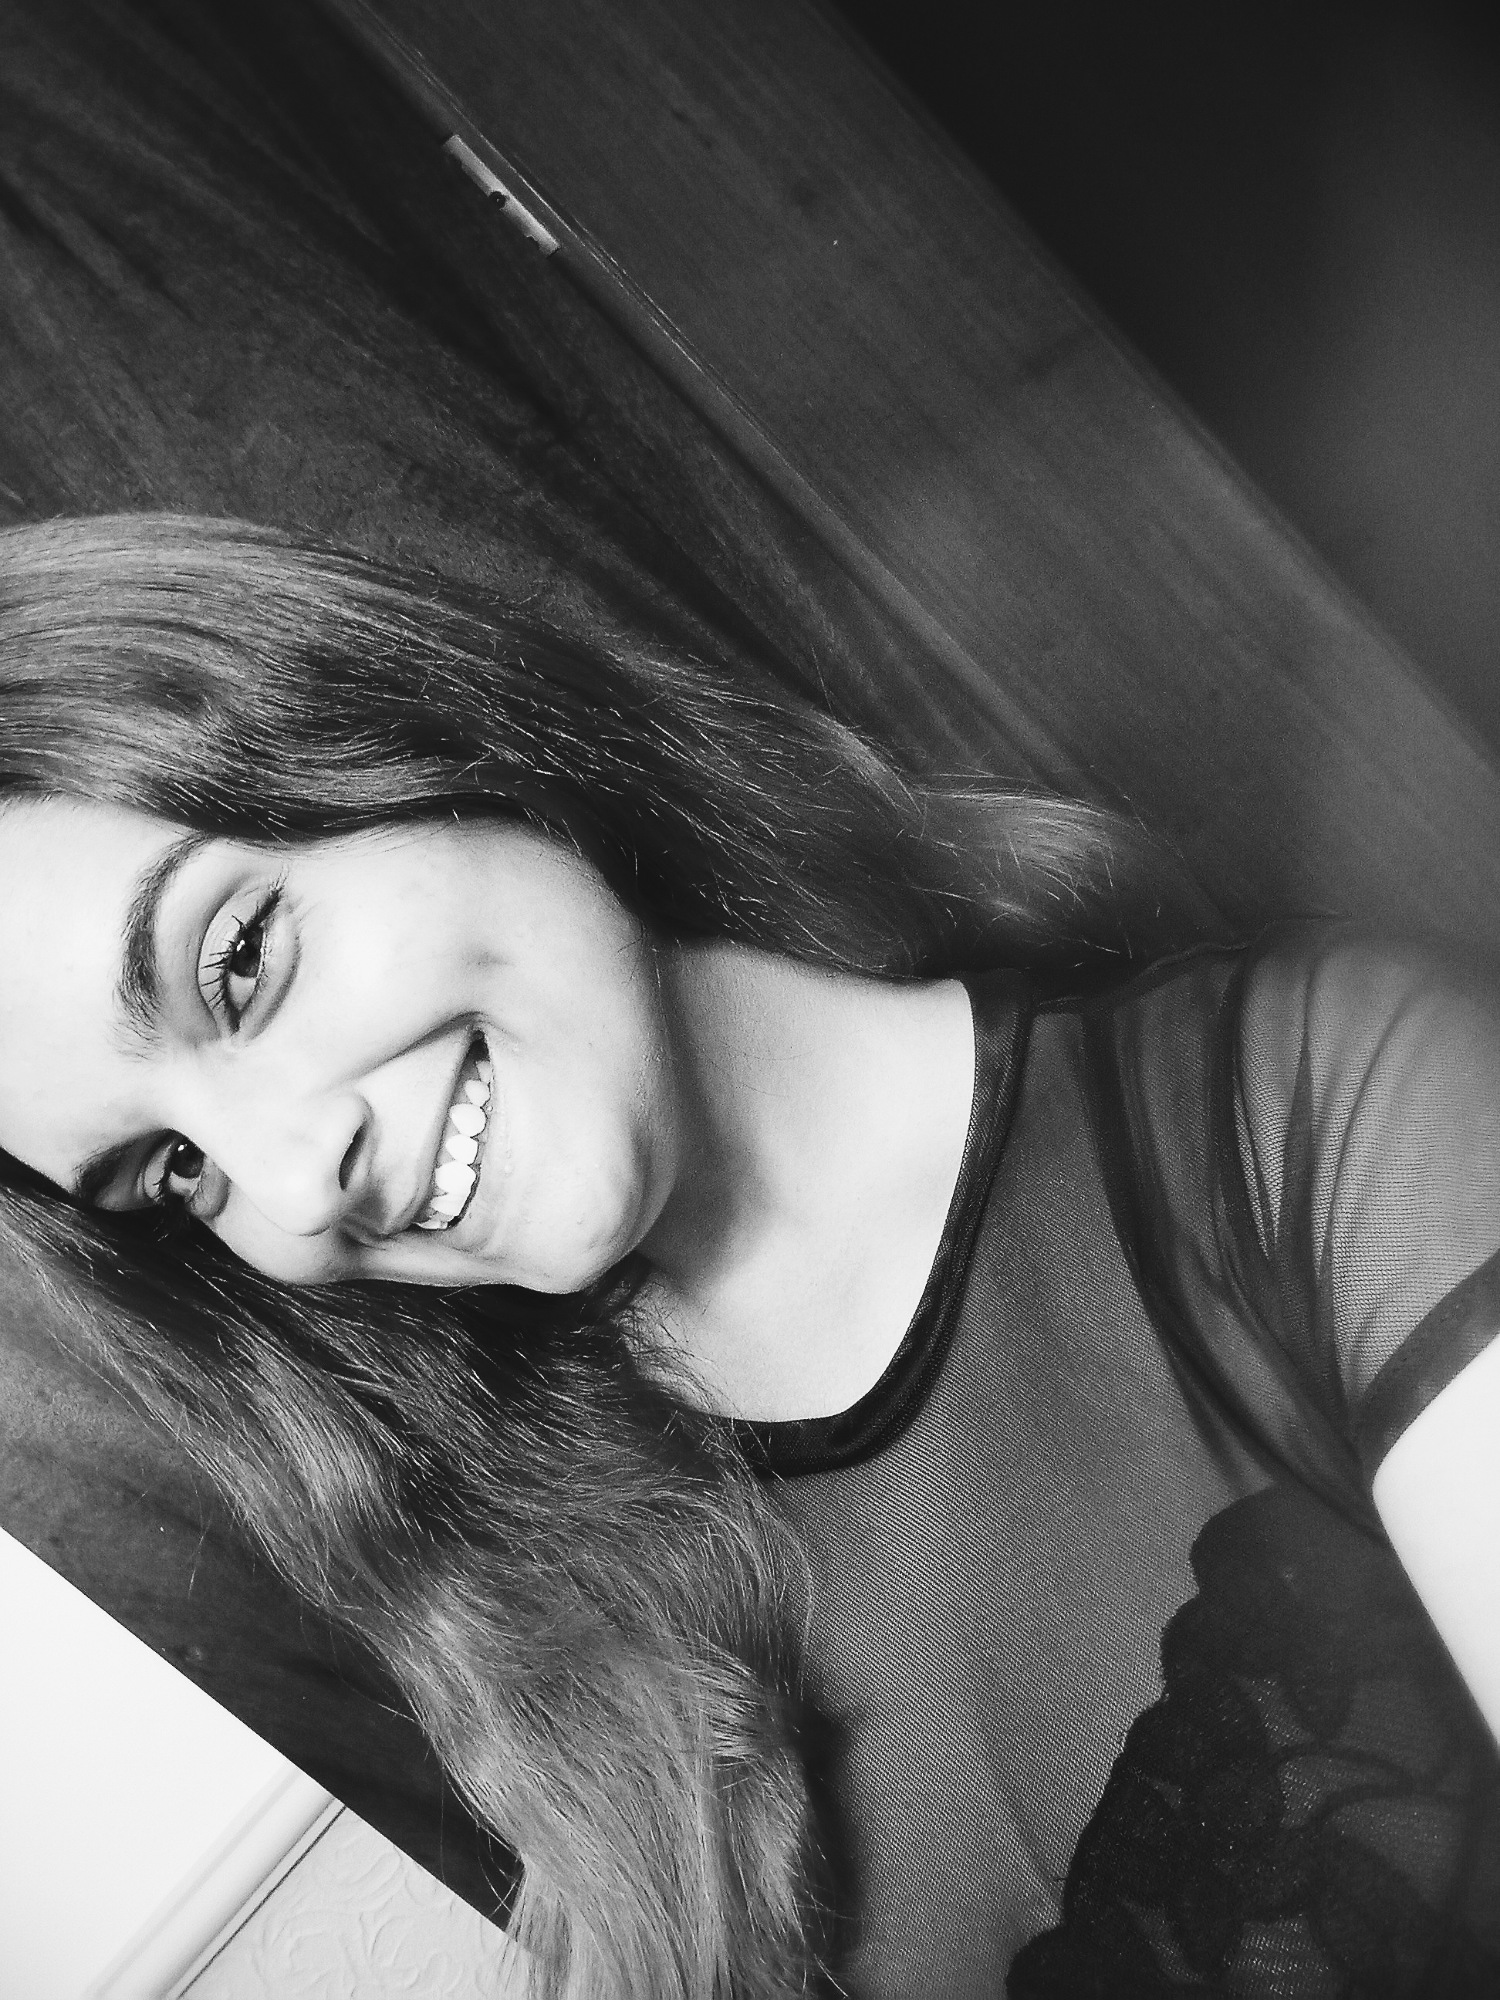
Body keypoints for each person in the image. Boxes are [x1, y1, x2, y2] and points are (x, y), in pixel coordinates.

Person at [1, 510, 1497, 2000]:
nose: (289, 1184)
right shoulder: (537, 1630)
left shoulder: (1318, 1114)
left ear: (436, 731)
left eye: (237, 962)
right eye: (173, 1171)